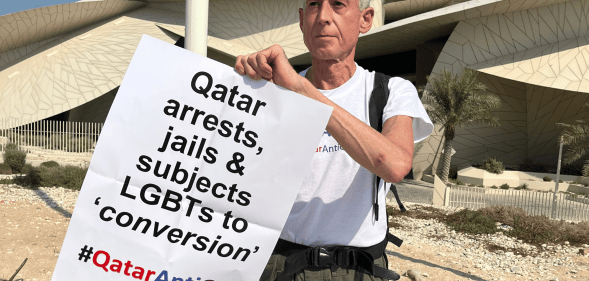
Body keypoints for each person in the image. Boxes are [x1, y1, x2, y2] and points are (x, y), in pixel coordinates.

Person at [235, 0, 433, 280]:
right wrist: (241, 88)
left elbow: (394, 164)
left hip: (360, 270)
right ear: (302, 20)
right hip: (282, 265)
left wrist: (302, 90)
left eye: (338, 5)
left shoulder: (390, 91)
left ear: (365, 20)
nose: (323, 17)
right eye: (315, 5)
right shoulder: (272, 93)